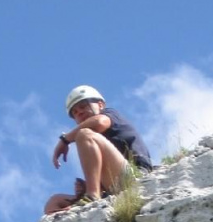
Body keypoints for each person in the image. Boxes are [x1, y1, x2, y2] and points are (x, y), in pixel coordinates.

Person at [44, 85, 152, 214]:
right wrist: (84, 188)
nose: (79, 113)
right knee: (54, 201)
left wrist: (65, 140)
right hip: (113, 189)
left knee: (84, 134)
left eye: (83, 106)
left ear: (100, 105)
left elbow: (100, 122)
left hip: (135, 178)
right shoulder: (94, 140)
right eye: (75, 112)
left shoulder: (110, 115)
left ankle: (92, 197)